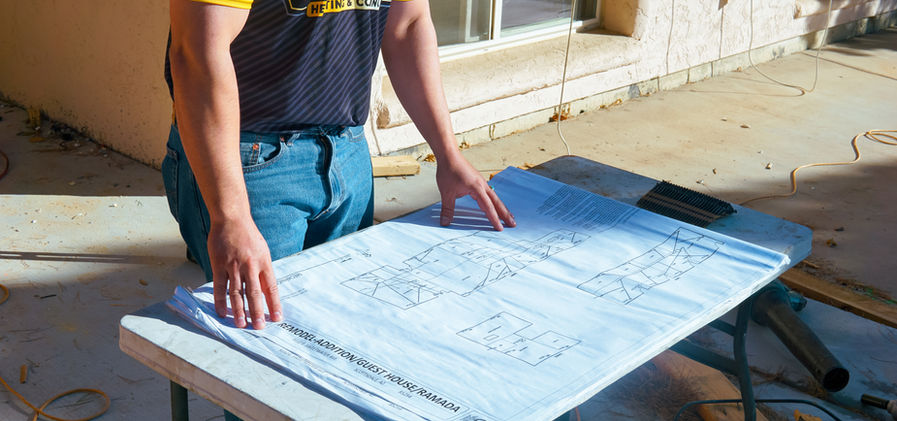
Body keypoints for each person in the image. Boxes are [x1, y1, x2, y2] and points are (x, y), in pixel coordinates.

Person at [162, 0, 516, 334]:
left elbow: (407, 23)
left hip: (348, 148)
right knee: (266, 335)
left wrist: (448, 154)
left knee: (340, 317)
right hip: (251, 158)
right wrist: (231, 216)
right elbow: (198, 53)